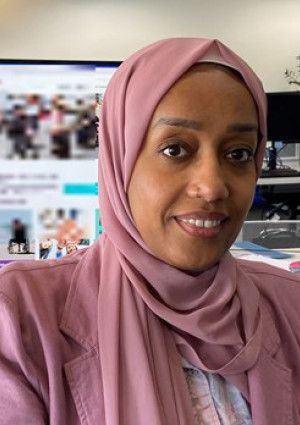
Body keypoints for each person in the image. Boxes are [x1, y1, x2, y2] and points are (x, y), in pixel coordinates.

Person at [0, 38, 300, 425]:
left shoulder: (290, 306)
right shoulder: (20, 318)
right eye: (175, 149)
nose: (212, 186)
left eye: (238, 153)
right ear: (120, 159)